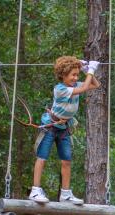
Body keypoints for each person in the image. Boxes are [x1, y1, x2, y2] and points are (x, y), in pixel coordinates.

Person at [29, 56, 101, 204]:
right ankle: (35, 190)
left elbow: (95, 85)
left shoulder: (75, 86)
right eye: (73, 75)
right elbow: (84, 88)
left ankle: (66, 193)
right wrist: (91, 71)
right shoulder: (60, 89)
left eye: (77, 75)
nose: (76, 78)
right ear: (63, 75)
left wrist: (86, 70)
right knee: (42, 157)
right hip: (50, 126)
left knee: (66, 160)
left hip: (63, 128)